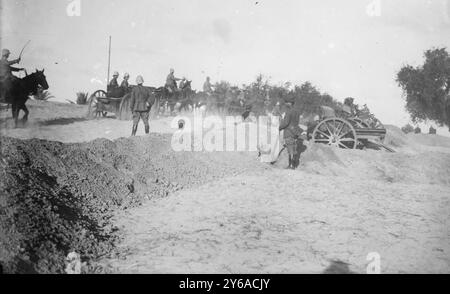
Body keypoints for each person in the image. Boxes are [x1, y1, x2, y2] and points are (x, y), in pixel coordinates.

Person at [279, 97, 304, 169]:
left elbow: (286, 123)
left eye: (287, 102)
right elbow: (296, 123)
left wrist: (279, 128)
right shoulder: (297, 112)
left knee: (290, 149)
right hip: (295, 132)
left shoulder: (288, 111)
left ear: (290, 103)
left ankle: (291, 165)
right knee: (294, 149)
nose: (286, 104)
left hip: (288, 132)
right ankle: (294, 165)